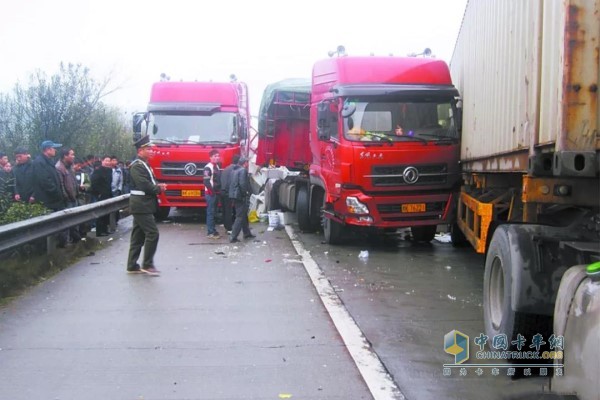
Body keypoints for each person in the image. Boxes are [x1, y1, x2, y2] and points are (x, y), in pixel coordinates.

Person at [126, 135, 167, 275]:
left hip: (144, 205)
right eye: (148, 149)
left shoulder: (144, 165)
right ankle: (147, 264)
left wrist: (157, 185)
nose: (151, 151)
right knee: (152, 233)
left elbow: (149, 182)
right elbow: (144, 185)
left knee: (138, 236)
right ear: (140, 151)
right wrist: (158, 188)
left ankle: (131, 265)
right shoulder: (137, 166)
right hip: (141, 205)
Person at [32, 140, 66, 212]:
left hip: (54, 201)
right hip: (48, 202)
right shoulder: (39, 162)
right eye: (53, 148)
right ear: (48, 149)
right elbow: (45, 181)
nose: (55, 150)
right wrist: (57, 193)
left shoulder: (49, 161)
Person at [228, 156, 255, 243]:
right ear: (245, 163)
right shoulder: (243, 170)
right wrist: (245, 194)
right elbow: (243, 184)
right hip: (240, 196)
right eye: (247, 163)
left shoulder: (234, 170)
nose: (248, 164)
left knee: (243, 215)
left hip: (234, 195)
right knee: (239, 216)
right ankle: (233, 236)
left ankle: (247, 233)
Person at [90, 156, 113, 237]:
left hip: (108, 194)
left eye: (109, 161)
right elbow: (94, 183)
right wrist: (98, 193)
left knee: (107, 213)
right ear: (102, 161)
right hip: (100, 195)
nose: (107, 162)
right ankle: (99, 231)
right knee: (101, 214)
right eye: (106, 160)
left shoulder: (110, 170)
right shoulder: (98, 171)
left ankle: (105, 229)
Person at [203, 149, 221, 239]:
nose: (217, 158)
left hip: (216, 193)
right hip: (210, 193)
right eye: (215, 156)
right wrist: (212, 193)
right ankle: (210, 232)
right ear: (210, 157)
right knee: (210, 212)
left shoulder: (217, 166)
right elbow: (206, 181)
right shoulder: (208, 168)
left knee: (214, 213)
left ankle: (213, 230)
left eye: (218, 156)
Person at [220, 153, 240, 233]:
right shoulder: (235, 170)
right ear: (238, 162)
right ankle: (229, 228)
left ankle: (225, 225)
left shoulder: (226, 169)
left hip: (222, 191)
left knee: (225, 210)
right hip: (228, 192)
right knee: (229, 211)